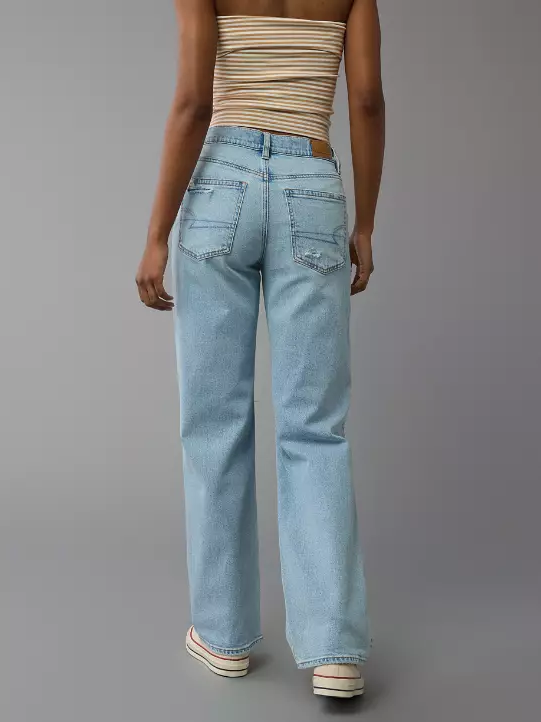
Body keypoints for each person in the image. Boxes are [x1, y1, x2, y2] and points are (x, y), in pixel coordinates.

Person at [135, 0, 385, 700]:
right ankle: (335, 649)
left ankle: (222, 635)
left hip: (221, 182)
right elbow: (366, 98)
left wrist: (155, 234)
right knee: (315, 427)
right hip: (313, 184)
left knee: (214, 422)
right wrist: (366, 224)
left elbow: (193, 101)